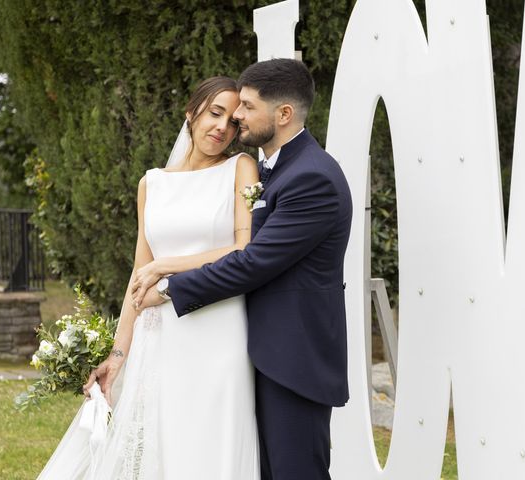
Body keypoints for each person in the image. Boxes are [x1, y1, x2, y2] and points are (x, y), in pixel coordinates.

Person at [134, 59, 353, 480]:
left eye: (247, 107)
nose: (236, 116)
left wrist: (166, 287)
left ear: (283, 114)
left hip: (293, 361)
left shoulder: (313, 177)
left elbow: (252, 261)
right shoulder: (277, 169)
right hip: (257, 354)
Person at [37, 76, 261, 479]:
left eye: (232, 120)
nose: (221, 127)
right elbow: (136, 282)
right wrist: (116, 358)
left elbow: (245, 249)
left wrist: (166, 266)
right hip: (161, 338)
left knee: (211, 444)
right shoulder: (152, 183)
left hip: (220, 332)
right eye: (214, 113)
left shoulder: (240, 168)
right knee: (162, 443)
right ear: (190, 113)